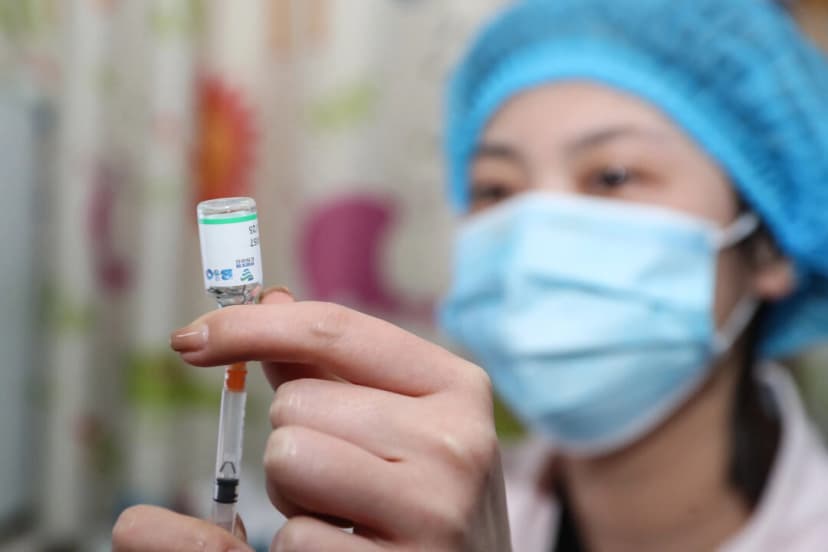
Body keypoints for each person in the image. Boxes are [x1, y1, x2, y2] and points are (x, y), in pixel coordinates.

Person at [112, 0, 828, 550]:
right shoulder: (405, 509)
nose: (535, 235)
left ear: (769, 247)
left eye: (612, 175)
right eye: (494, 189)